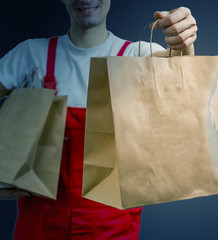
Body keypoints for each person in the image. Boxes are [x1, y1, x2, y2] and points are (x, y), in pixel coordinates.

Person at [0, 0, 197, 239]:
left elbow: (182, 83)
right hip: (40, 223)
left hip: (113, 225)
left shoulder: (139, 55)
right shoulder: (32, 55)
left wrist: (183, 41)